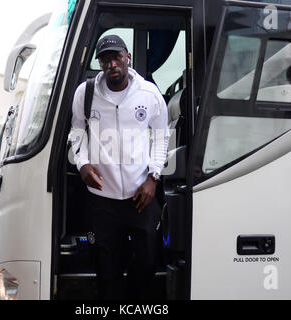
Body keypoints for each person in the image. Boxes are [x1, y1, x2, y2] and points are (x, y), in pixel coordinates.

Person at [69, 35, 169, 299]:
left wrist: (153, 177)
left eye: (116, 57)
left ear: (128, 58)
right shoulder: (86, 93)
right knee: (106, 270)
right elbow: (77, 132)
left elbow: (161, 137)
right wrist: (82, 164)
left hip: (140, 197)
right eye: (105, 59)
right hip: (102, 200)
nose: (112, 64)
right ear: (100, 63)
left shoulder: (149, 94)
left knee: (147, 265)